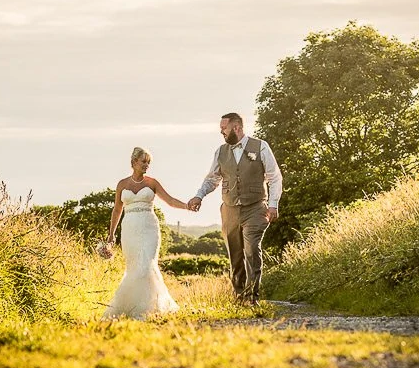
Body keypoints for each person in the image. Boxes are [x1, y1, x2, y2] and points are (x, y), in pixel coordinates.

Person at [187, 113, 283, 305]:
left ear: (237, 128)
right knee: (235, 253)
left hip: (256, 208)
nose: (221, 131)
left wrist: (273, 205)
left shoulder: (260, 146)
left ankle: (252, 296)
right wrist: (199, 195)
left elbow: (274, 177)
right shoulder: (221, 151)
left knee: (251, 250)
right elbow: (212, 178)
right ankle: (239, 297)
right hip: (229, 209)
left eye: (224, 128)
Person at [102, 147, 187, 320]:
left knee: (146, 265)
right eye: (143, 161)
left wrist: (187, 206)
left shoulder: (152, 183)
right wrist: (111, 234)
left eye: (148, 162)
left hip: (149, 228)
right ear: (134, 162)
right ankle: (129, 306)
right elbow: (117, 210)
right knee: (134, 268)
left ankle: (149, 308)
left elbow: (170, 201)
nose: (146, 165)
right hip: (129, 229)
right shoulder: (122, 184)